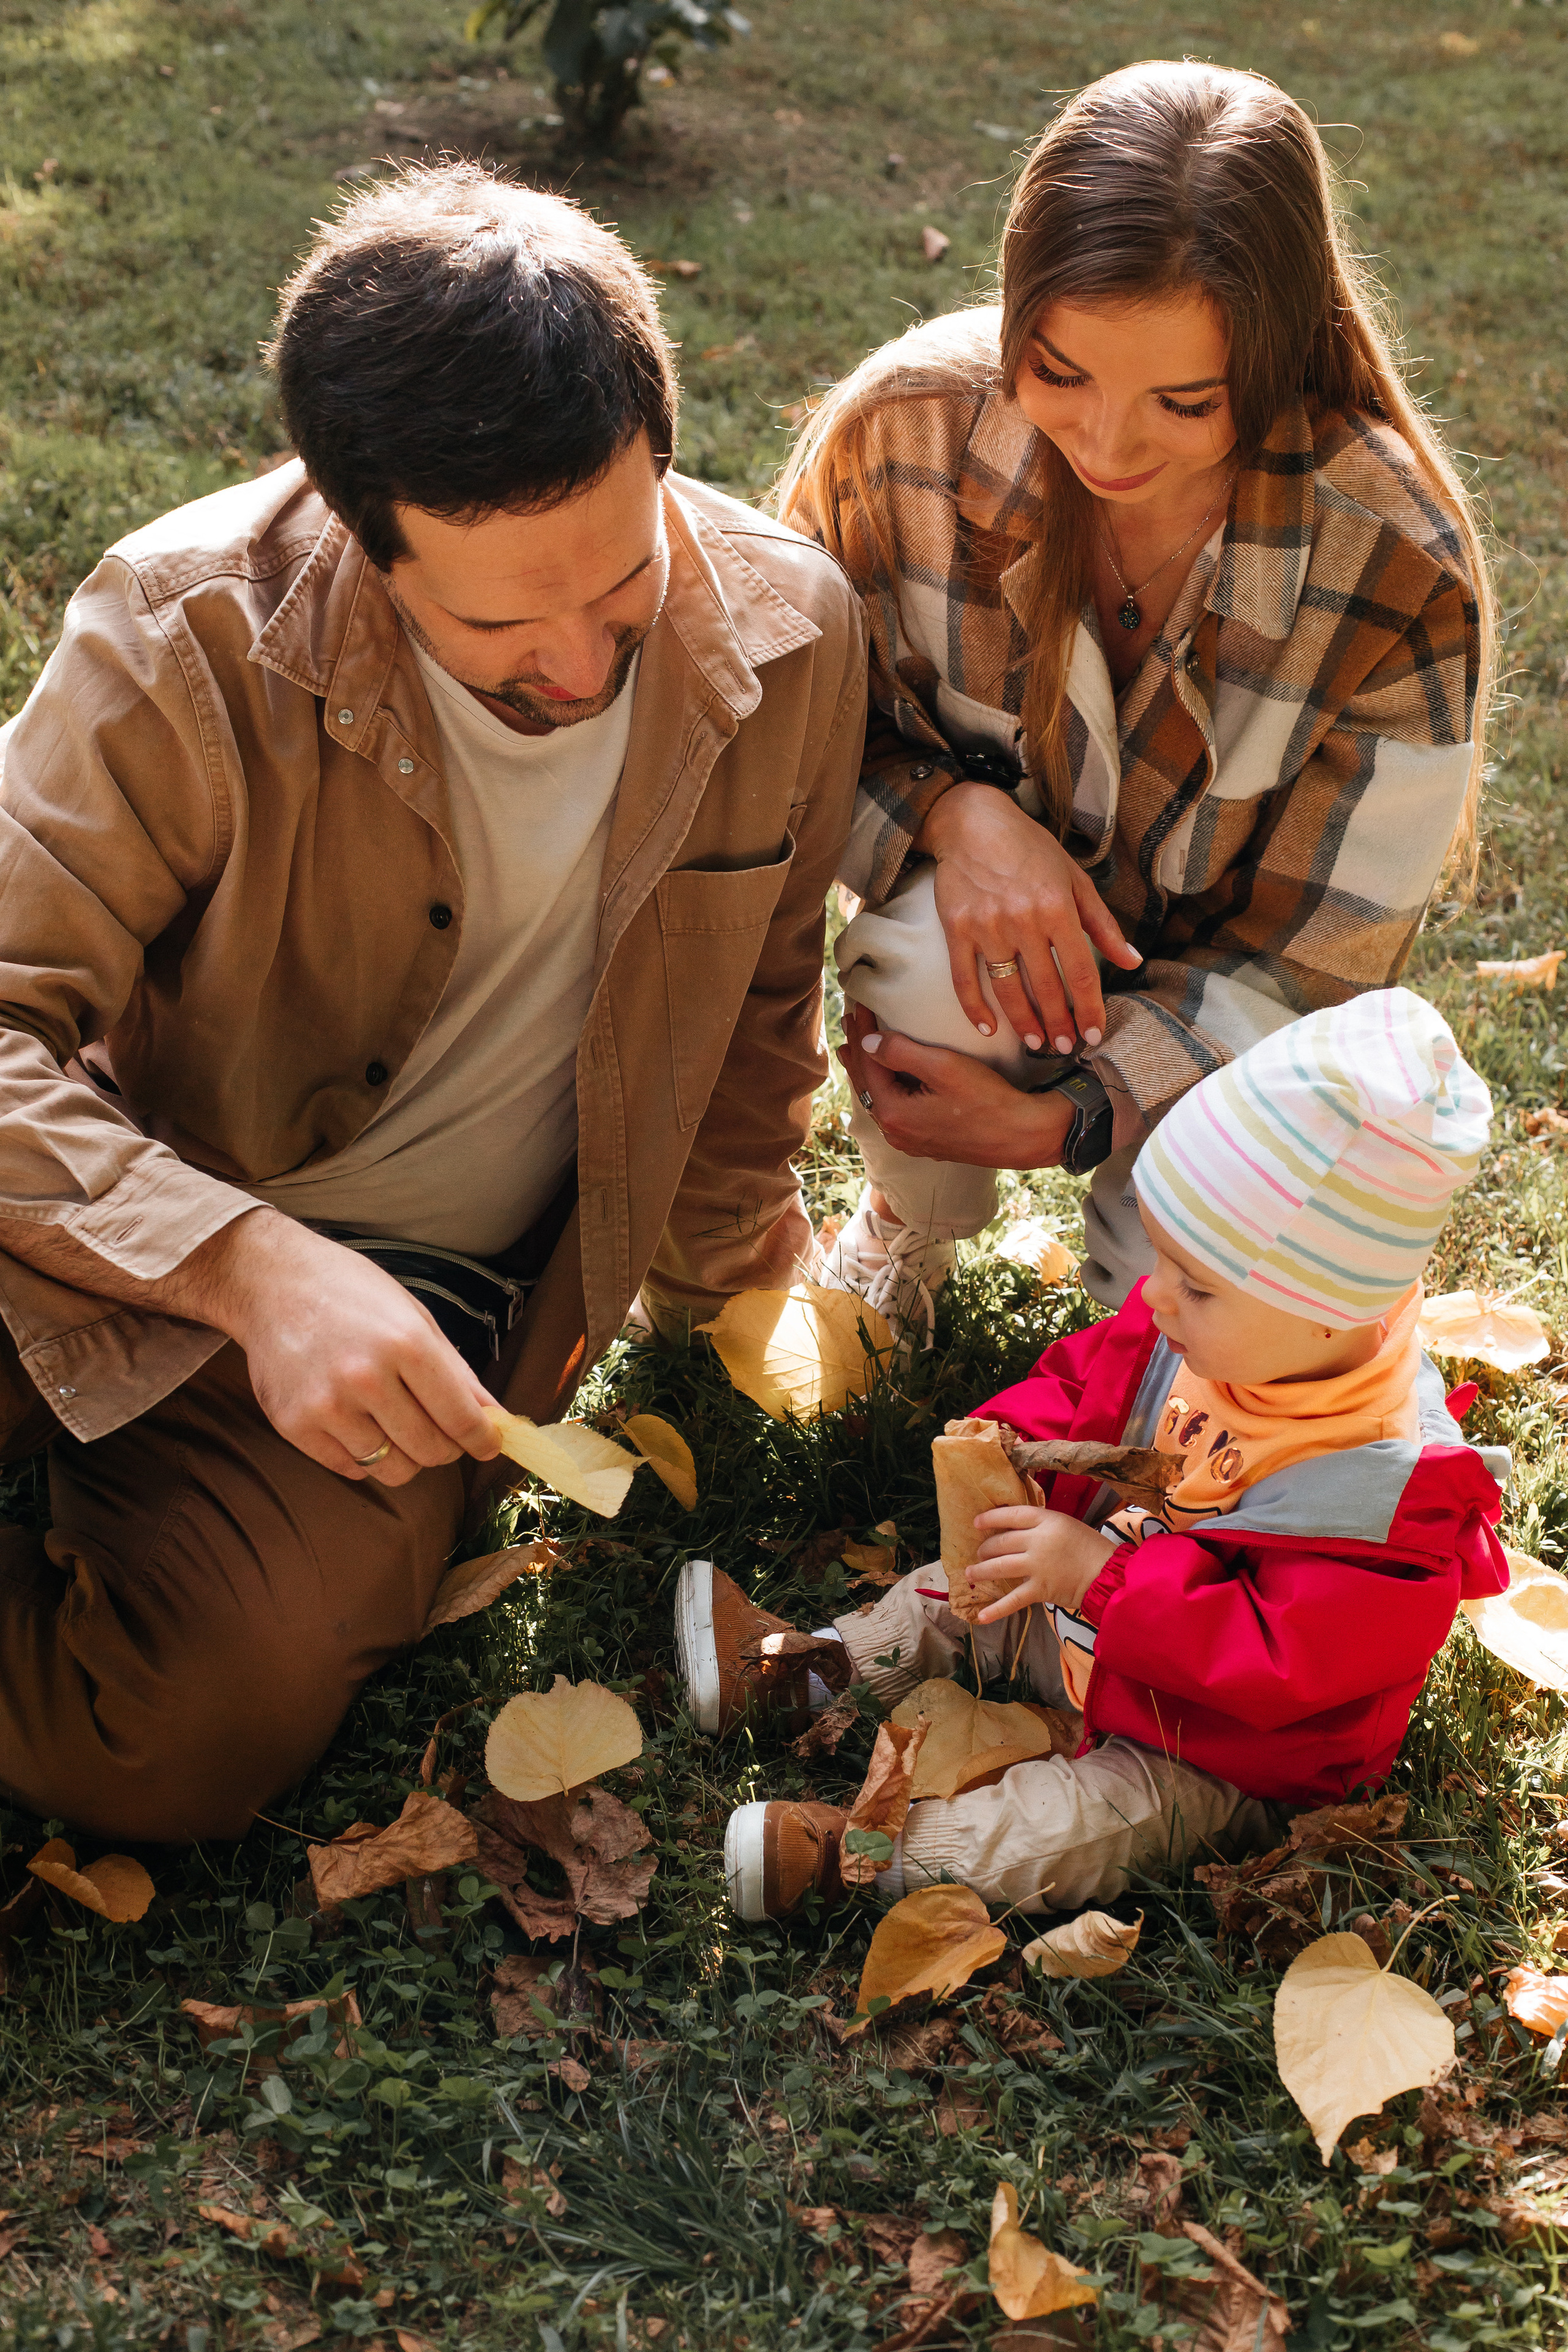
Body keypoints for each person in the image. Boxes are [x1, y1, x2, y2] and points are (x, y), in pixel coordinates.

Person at [0, 164, 865, 1843]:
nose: (582, 660)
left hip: (427, 1324)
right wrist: (243, 1265)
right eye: (498, 621)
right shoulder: (182, 632)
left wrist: (733, 1283)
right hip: (105, 1205)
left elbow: (763, 1010)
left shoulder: (796, 641)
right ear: (358, 535)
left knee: (189, 1733)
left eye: (620, 586)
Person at [778, 60, 1494, 1343]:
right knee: (926, 946)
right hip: (975, 960)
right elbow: (782, 745)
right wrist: (954, 818)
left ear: (1273, 360)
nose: (1104, 445)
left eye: (1184, 402)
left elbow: (1312, 964)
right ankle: (907, 1231)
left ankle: (1155, 1271)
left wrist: (1074, 1116)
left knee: (1172, 1358)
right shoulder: (903, 433)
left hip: (1235, 1036)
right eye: (1059, 371)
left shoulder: (1391, 564)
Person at [672, 990, 1509, 1923]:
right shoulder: (1211, 1335)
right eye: (1161, 1262)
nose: (1153, 1299)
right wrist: (1016, 1447)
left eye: (1192, 1283)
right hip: (1087, 1630)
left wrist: (1102, 1580)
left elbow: (1277, 1661)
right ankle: (801, 1671)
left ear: (1326, 1310)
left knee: (1073, 1822)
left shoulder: (1388, 1503)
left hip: (1207, 1749)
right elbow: (1084, 1389)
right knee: (951, 1595)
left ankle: (859, 1857)